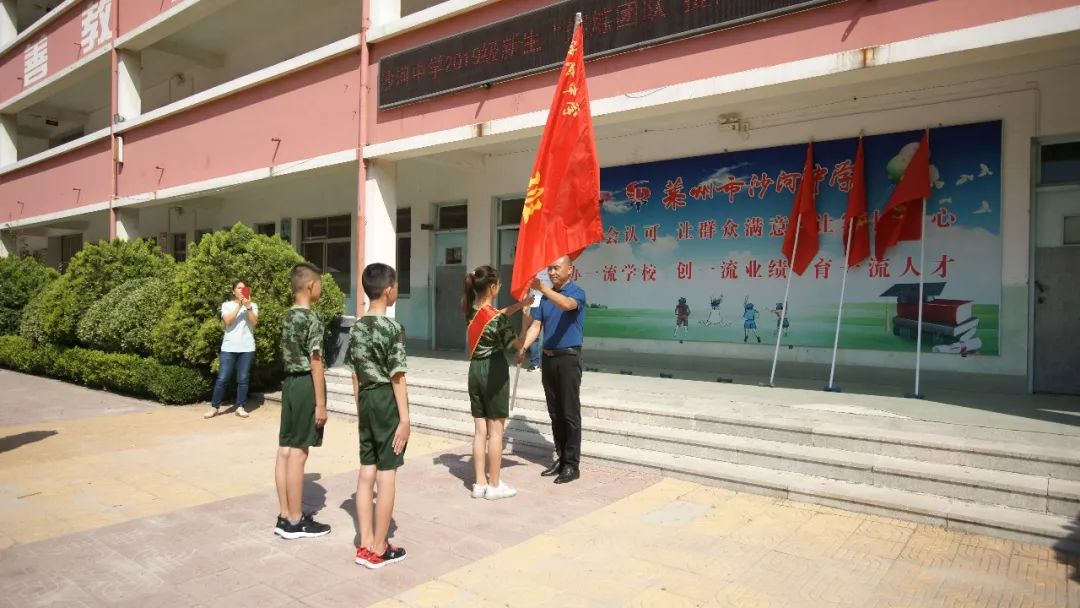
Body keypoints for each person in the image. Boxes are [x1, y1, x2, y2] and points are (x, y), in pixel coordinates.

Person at [346, 263, 410, 569]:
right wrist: (405, 419)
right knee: (387, 473)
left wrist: (361, 407)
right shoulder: (392, 328)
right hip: (385, 399)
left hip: (367, 399)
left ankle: (365, 540)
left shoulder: (356, 326)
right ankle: (380, 548)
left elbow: (355, 373)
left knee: (366, 470)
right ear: (388, 290)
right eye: (396, 285)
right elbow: (398, 376)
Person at [462, 266, 532, 500]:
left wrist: (521, 304)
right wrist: (526, 323)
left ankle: (479, 483)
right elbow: (518, 345)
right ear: (492, 287)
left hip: (475, 371)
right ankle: (494, 485)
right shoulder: (498, 320)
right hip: (494, 371)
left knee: (480, 431)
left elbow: (495, 314)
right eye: (499, 284)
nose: (500, 287)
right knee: (496, 431)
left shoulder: (470, 309)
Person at [274, 263, 331, 540]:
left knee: (285, 449)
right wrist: (320, 403)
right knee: (299, 453)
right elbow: (316, 362)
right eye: (319, 283)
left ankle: (285, 514)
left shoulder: (287, 316)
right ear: (310, 286)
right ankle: (296, 521)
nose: (320, 288)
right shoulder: (312, 319)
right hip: (305, 385)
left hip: (289, 384)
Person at [519, 255, 586, 484]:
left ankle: (572, 464)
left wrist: (543, 290)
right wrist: (524, 347)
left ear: (570, 270)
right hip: (548, 359)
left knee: (569, 413)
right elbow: (537, 325)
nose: (552, 272)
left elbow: (566, 305)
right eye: (550, 268)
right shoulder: (545, 300)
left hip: (568, 358)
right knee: (555, 412)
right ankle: (560, 458)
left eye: (557, 268)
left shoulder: (576, 292)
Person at [205, 281, 259, 419]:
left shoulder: (253, 306)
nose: (241, 290)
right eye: (238, 288)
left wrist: (248, 307)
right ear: (233, 291)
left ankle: (240, 406)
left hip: (246, 347)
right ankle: (214, 407)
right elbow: (228, 320)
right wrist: (239, 306)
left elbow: (254, 322)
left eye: (244, 288)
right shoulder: (226, 305)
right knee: (223, 378)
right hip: (229, 347)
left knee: (243, 378)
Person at [521, 269, 549, 371]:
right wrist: (525, 304)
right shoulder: (533, 267)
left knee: (549, 334)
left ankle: (547, 363)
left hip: (550, 303)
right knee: (534, 335)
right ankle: (535, 363)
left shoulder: (553, 267)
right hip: (535, 304)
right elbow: (526, 287)